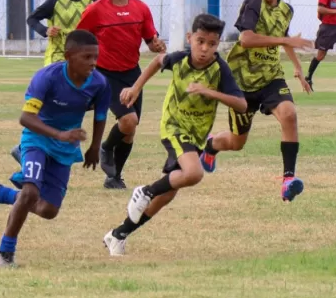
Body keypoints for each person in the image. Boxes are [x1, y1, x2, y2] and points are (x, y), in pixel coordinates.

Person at [102, 14, 247, 255]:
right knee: (193, 173)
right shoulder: (179, 59)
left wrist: (210, 93)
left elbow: (241, 104)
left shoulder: (220, 69)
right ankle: (146, 191)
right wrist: (135, 88)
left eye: (212, 44)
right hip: (174, 128)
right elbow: (158, 61)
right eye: (200, 41)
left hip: (197, 136)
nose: (204, 49)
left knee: (167, 193)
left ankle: (119, 234)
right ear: (190, 38)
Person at [0, 30, 111, 268]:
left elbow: (100, 115)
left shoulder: (99, 83)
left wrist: (94, 147)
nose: (93, 63)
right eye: (86, 57)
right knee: (30, 194)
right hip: (37, 138)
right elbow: (26, 118)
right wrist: (59, 134)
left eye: (95, 57)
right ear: (69, 56)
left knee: (48, 210)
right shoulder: (46, 77)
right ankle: (5, 254)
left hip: (65, 148)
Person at [198, 0, 312, 203]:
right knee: (237, 142)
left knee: (289, 115)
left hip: (271, 77)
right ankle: (212, 145)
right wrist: (285, 41)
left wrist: (299, 68)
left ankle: (288, 180)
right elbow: (246, 39)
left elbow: (284, 39)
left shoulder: (286, 10)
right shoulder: (254, 3)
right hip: (241, 83)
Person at [76, 0, 166, 190]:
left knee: (129, 130)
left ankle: (114, 177)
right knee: (129, 120)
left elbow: (149, 39)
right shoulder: (96, 10)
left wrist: (156, 45)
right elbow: (79, 39)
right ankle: (105, 147)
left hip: (133, 74)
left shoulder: (141, 8)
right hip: (106, 75)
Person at [8, 0, 96, 175]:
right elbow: (32, 19)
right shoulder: (54, 3)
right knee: (56, 105)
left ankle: (31, 150)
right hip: (57, 59)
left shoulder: (92, 2)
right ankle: (31, 149)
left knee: (83, 102)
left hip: (82, 60)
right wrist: (45, 30)